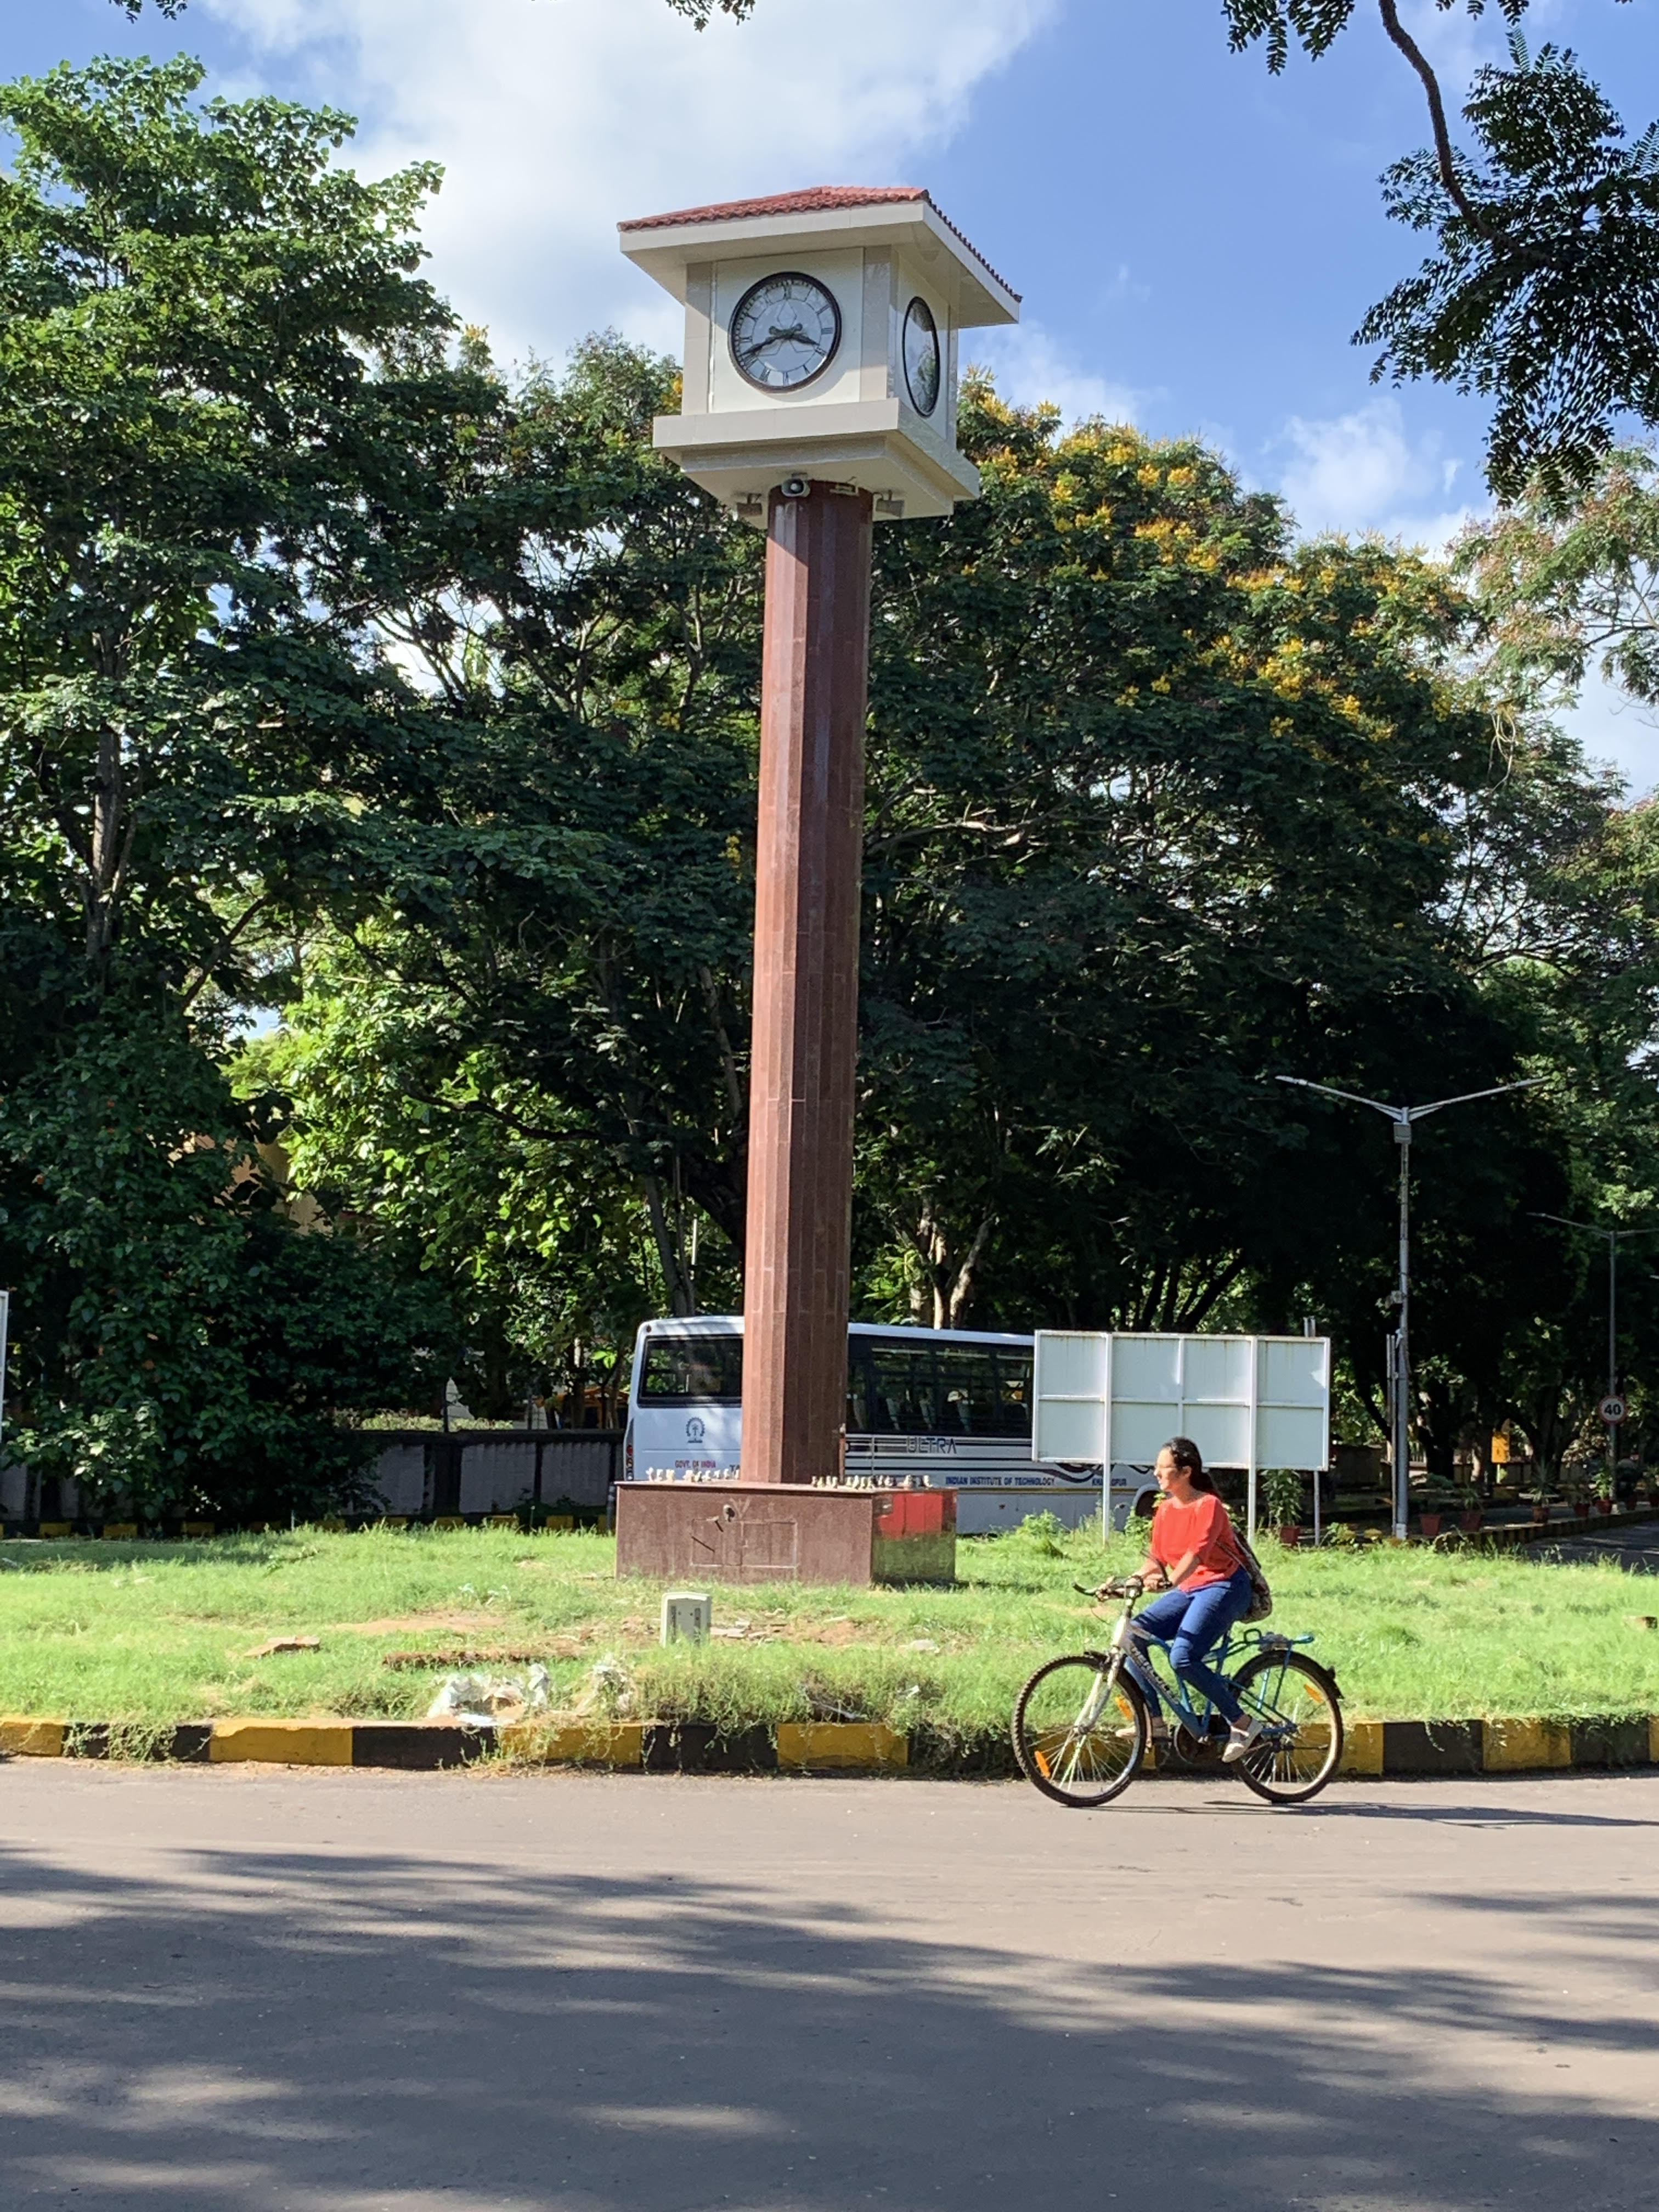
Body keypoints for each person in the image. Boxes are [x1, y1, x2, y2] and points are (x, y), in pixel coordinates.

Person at [1131, 1437, 1261, 1762]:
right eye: (1156, 1468)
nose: (1156, 1474)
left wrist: (1170, 1582)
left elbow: (1196, 1554)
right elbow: (1156, 1560)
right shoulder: (1164, 1511)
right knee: (1132, 1636)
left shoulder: (1209, 1506)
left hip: (1225, 1585)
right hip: (1190, 1589)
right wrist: (1130, 1581)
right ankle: (1153, 1723)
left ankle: (1242, 1723)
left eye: (1164, 1468)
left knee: (1183, 1657)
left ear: (1186, 1472)